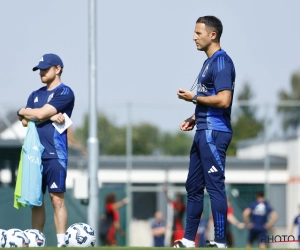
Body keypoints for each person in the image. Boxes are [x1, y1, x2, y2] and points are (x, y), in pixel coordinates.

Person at [174, 16, 235, 249]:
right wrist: (193, 117)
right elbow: (209, 99)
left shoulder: (221, 62)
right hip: (202, 129)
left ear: (213, 35)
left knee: (215, 186)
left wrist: (194, 98)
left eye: (198, 33)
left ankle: (220, 241)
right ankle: (189, 240)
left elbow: (224, 99)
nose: (193, 37)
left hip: (214, 132)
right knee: (193, 186)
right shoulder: (207, 63)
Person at [17, 53, 75, 247]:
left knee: (56, 198)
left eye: (45, 68)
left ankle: (61, 242)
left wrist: (27, 112)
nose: (41, 72)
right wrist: (46, 116)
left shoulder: (65, 92)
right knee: (36, 200)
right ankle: (36, 241)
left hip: (55, 153)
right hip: (34, 154)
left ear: (58, 69)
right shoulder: (35, 94)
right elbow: (25, 121)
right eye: (39, 69)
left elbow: (34, 113)